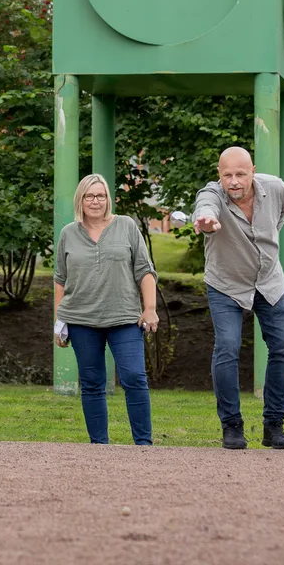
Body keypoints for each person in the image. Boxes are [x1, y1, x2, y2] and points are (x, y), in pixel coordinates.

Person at [192, 147, 284, 450]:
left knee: (283, 348)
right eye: (227, 175)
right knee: (227, 346)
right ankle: (232, 426)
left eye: (240, 174)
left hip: (269, 281)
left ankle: (274, 426)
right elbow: (206, 208)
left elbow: (277, 223)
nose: (234, 181)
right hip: (226, 283)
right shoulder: (211, 194)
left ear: (253, 170)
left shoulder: (276, 188)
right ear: (219, 174)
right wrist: (208, 220)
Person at [54, 173, 159, 445]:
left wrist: (150, 309)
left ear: (108, 199)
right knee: (91, 382)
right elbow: (60, 280)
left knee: (134, 376)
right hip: (80, 319)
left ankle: (144, 445)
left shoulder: (126, 226)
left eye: (100, 195)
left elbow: (145, 271)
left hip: (124, 316)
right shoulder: (68, 233)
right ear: (81, 199)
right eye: (89, 196)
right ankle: (99, 447)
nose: (95, 201)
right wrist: (59, 321)